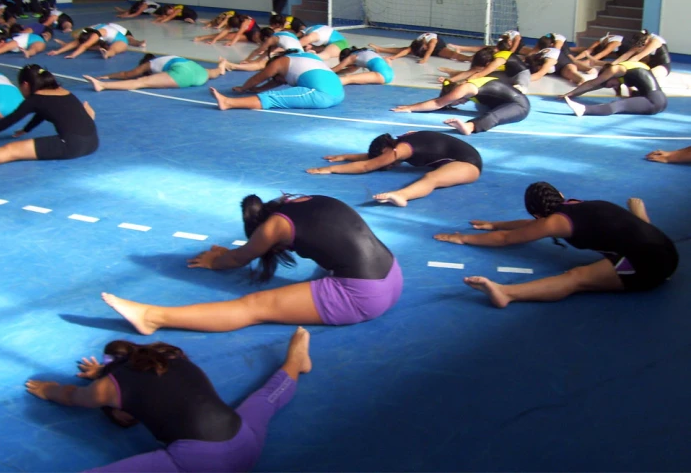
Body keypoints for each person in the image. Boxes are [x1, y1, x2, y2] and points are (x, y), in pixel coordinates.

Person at [101, 194, 403, 333]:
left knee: (254, 307)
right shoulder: (302, 200)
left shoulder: (273, 228)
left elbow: (237, 258)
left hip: (363, 296)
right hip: (392, 274)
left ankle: (152, 318)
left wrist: (214, 260)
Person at [25, 327, 312, 473]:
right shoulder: (171, 356)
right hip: (246, 443)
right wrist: (103, 373)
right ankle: (296, 362)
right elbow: (147, 379)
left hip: (197, 463)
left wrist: (47, 388)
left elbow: (72, 396)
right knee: (266, 398)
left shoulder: (106, 390)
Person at [433, 182, 678, 308]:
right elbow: (532, 225)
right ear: (558, 194)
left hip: (650, 265)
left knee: (576, 277)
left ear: (538, 215)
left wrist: (463, 238)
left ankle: (506, 293)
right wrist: (496, 224)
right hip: (664, 248)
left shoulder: (555, 222)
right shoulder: (574, 205)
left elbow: (506, 240)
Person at [0, 65, 98, 168]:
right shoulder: (62, 91)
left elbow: (10, 120)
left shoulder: (35, 99)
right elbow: (44, 112)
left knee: (10, 150)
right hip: (92, 142)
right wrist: (26, 130)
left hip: (72, 146)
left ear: (26, 85)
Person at [307, 131, 481, 207]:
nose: (388, 165)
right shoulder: (401, 143)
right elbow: (379, 159)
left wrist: (330, 169)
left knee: (431, 178)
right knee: (432, 175)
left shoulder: (401, 149)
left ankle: (402, 196)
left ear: (387, 149)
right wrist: (347, 156)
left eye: (387, 160)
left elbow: (368, 165)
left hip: (468, 164)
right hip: (458, 158)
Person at [209, 50, 345, 111]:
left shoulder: (279, 62)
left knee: (273, 98)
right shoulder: (306, 57)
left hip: (321, 95)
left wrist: (243, 88)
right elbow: (279, 80)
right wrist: (259, 89)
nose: (281, 81)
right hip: (339, 94)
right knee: (281, 93)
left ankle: (228, 103)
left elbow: (259, 77)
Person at [391, 77, 530, 136]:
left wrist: (411, 107)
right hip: (502, 102)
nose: (460, 103)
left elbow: (438, 103)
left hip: (519, 105)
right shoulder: (467, 85)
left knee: (491, 117)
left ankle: (469, 127)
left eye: (455, 101)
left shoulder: (465, 87)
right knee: (484, 109)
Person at [562, 61, 667, 117]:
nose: (612, 87)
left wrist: (569, 93)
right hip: (660, 100)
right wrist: (572, 94)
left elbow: (592, 84)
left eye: (610, 85)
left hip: (653, 101)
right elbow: (594, 86)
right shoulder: (628, 69)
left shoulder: (616, 69)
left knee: (619, 105)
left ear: (609, 75)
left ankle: (584, 110)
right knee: (628, 99)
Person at [83, 54, 226, 91]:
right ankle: (222, 67)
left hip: (182, 74)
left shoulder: (150, 64)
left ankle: (102, 86)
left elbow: (129, 74)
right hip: (198, 71)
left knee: (141, 82)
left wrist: (108, 77)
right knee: (214, 72)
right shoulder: (167, 59)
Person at [220, 28, 304, 72]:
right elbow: (267, 52)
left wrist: (247, 60)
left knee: (261, 65)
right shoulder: (280, 35)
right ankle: (232, 65)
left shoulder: (271, 39)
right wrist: (253, 61)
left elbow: (258, 51)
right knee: (262, 62)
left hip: (293, 58)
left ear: (265, 37)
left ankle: (232, 66)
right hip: (299, 56)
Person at [370, 33, 470, 65]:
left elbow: (430, 51)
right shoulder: (418, 41)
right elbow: (407, 50)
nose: (424, 50)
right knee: (404, 49)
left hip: (439, 48)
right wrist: (394, 57)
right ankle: (381, 49)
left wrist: (424, 60)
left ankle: (469, 58)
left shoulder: (432, 42)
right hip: (423, 45)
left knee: (451, 55)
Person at [47, 24, 129, 59]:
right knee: (80, 43)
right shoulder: (86, 32)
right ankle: (66, 45)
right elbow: (76, 42)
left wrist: (73, 55)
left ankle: (107, 53)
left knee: (113, 49)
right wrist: (57, 52)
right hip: (104, 40)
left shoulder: (95, 34)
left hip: (120, 41)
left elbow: (85, 46)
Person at [193, 14, 262, 46]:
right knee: (228, 35)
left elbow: (238, 35)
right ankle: (203, 37)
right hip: (245, 34)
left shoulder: (245, 23)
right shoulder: (233, 19)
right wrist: (214, 40)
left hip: (254, 33)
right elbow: (225, 32)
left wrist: (232, 43)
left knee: (256, 38)